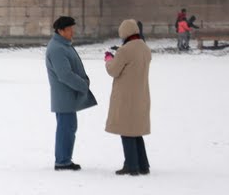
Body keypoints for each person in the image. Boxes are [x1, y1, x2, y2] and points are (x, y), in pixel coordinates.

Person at [45, 16, 97, 171]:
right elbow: (64, 74)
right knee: (66, 129)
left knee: (68, 128)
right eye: (69, 29)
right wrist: (83, 85)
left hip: (67, 96)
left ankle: (64, 159)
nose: (72, 32)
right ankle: (62, 161)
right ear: (60, 31)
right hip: (64, 96)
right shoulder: (57, 48)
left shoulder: (63, 45)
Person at [105, 19, 152, 176]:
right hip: (141, 94)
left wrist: (108, 59)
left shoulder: (124, 51)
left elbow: (113, 70)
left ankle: (131, 165)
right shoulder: (145, 48)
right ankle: (143, 165)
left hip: (126, 96)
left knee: (126, 130)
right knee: (136, 131)